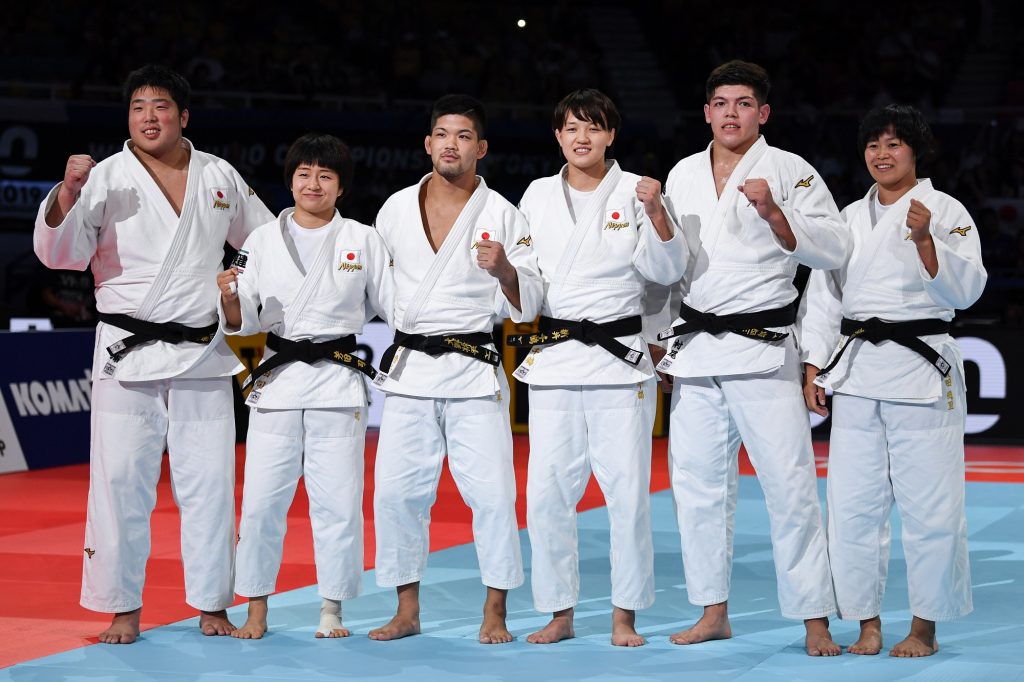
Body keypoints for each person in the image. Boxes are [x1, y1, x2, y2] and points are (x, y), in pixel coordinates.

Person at [33, 64, 273, 644]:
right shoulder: (104, 177)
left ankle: (212, 603)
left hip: (201, 352)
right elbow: (60, 256)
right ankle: (122, 608)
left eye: (160, 106)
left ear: (183, 116)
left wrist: (237, 282)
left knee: (210, 482)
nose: (149, 117)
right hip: (126, 351)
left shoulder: (220, 176)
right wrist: (66, 193)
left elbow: (264, 243)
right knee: (119, 483)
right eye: (138, 107)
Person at [655, 60, 847, 656]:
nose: (730, 113)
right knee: (696, 487)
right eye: (720, 103)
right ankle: (713, 609)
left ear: (763, 113)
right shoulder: (682, 174)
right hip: (695, 350)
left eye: (743, 103)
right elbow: (668, 272)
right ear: (707, 112)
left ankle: (814, 616)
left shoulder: (791, 170)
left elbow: (836, 249)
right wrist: (660, 339)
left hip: (765, 352)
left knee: (789, 487)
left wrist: (775, 214)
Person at [800, 104, 986, 657]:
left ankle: (924, 625)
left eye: (894, 144)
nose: (882, 154)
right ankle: (866, 622)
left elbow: (968, 289)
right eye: (874, 145)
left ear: (916, 150)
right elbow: (824, 295)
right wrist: (814, 362)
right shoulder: (849, 219)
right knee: (852, 505)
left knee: (932, 506)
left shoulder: (945, 210)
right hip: (856, 371)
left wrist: (928, 242)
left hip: (922, 371)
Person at [510, 89, 686, 646]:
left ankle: (624, 614)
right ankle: (558, 611)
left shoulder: (637, 191)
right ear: (557, 136)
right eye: (570, 127)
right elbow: (529, 281)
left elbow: (666, 271)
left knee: (627, 491)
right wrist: (503, 275)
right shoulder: (537, 195)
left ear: (612, 134)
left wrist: (657, 212)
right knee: (547, 492)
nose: (580, 137)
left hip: (619, 360)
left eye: (592, 126)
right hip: (556, 357)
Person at [368, 94, 542, 644]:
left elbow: (529, 303)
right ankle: (406, 609)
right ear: (428, 144)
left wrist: (507, 270)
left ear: (481, 148)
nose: (451, 144)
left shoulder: (504, 214)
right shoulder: (394, 208)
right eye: (442, 134)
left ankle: (495, 611)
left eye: (463, 136)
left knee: (492, 495)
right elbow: (374, 289)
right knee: (397, 494)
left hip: (473, 370)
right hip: (411, 368)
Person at [217, 134, 393, 640]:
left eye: (325, 176)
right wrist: (229, 298)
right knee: (261, 502)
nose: (312, 184)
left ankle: (332, 608)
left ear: (340, 188)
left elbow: (394, 305)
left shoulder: (362, 238)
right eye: (303, 174)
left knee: (337, 501)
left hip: (338, 382)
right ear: (290, 180)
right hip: (278, 379)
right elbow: (241, 314)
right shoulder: (261, 240)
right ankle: (256, 610)